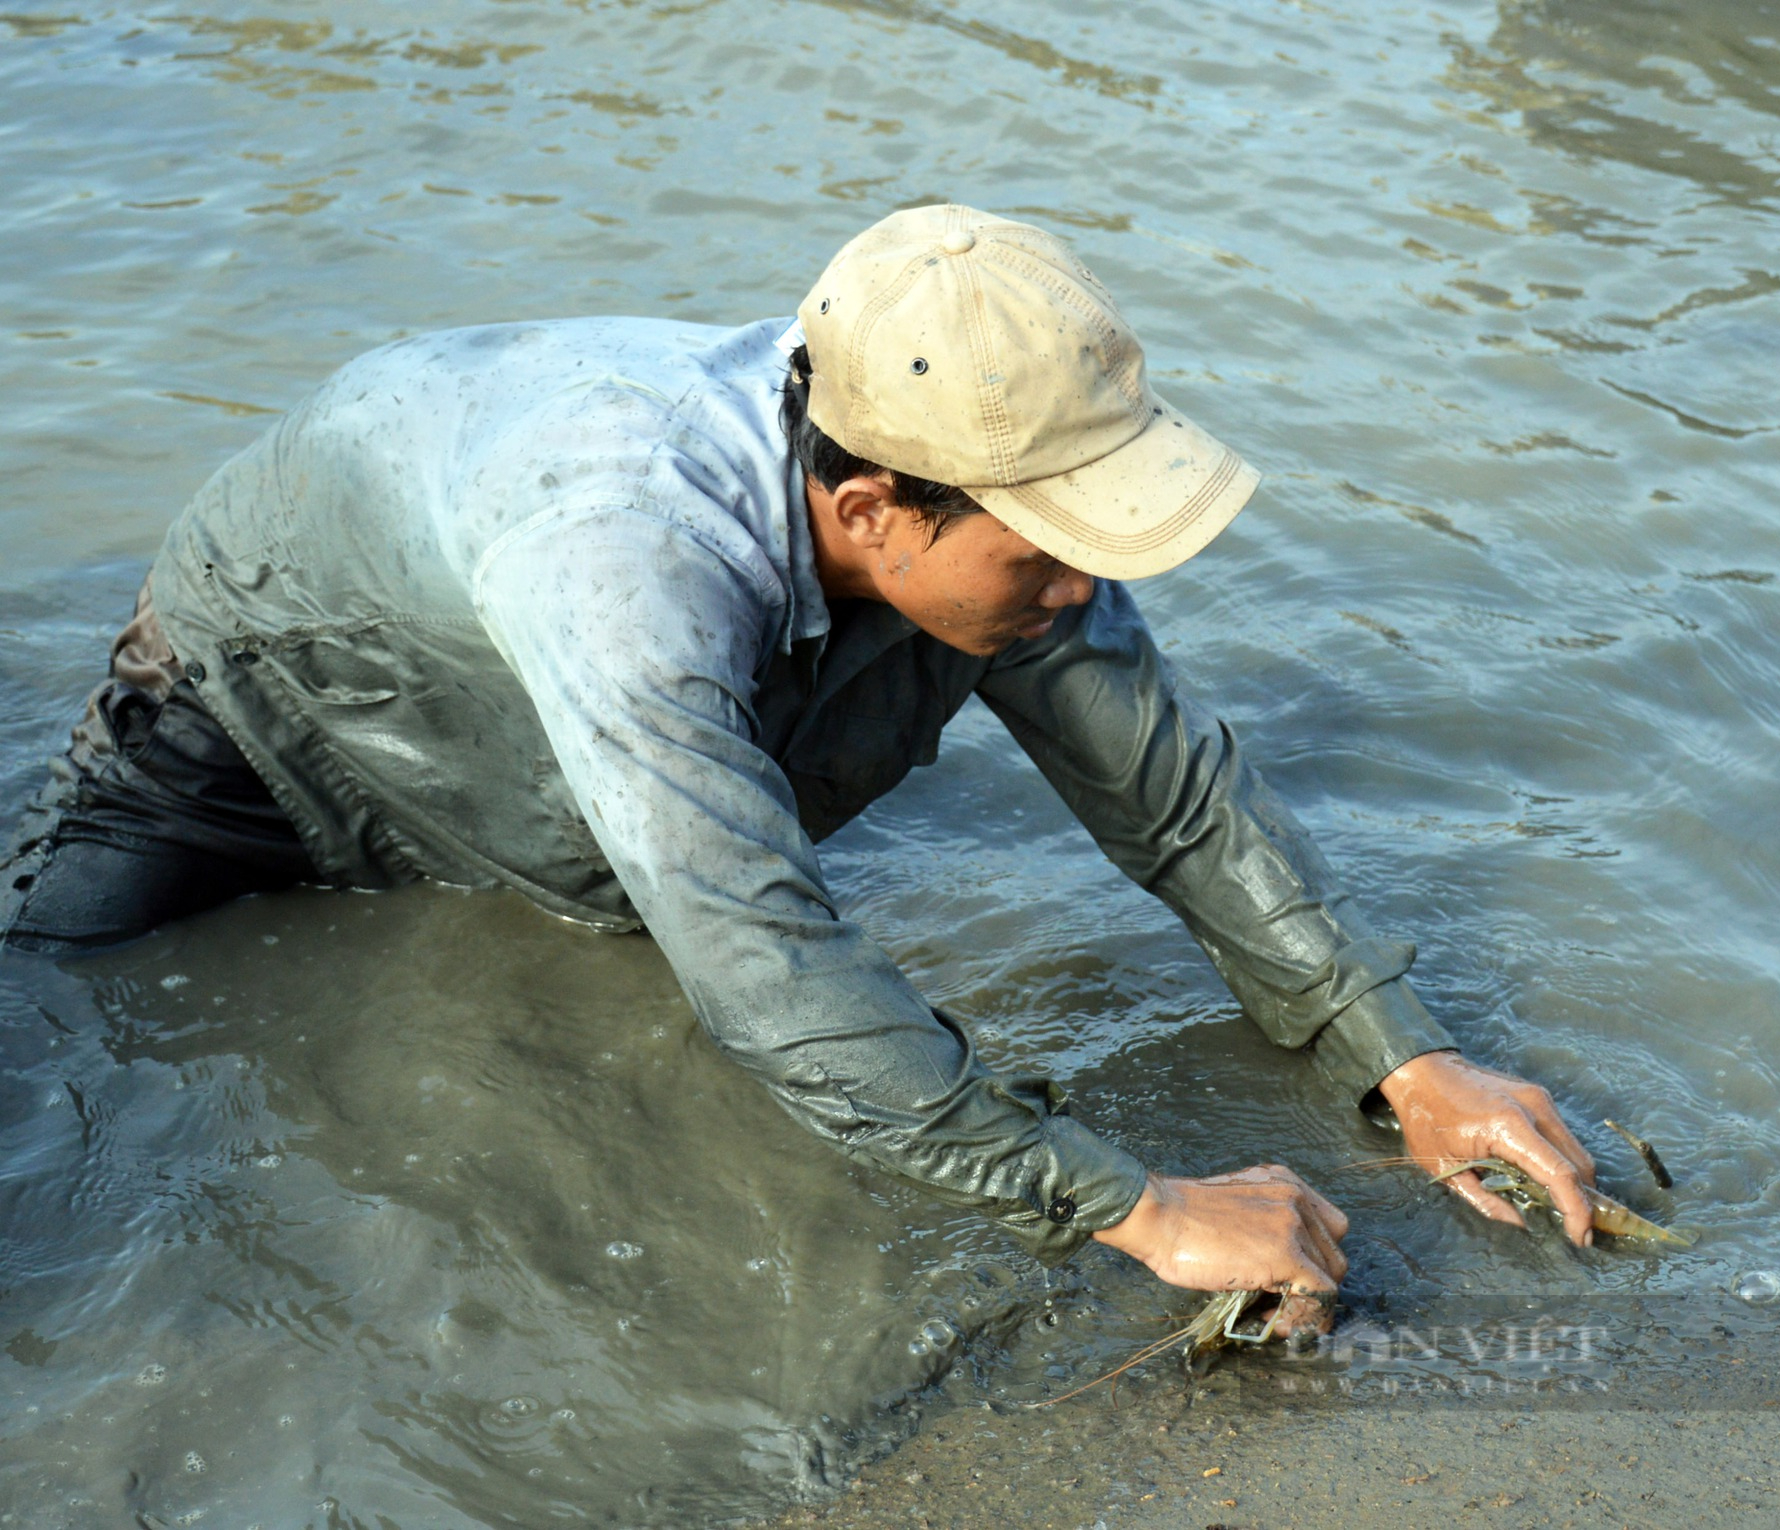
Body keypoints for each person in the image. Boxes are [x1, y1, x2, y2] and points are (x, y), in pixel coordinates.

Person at [0, 204, 1597, 1333]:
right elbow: (770, 976)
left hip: (530, 721)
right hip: (255, 706)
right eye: (1051, 553)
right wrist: (1133, 1202)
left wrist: (1394, 1052)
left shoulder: (948, 486)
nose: (1081, 591)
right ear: (877, 507)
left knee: (656, 888)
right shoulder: (626, 551)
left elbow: (1170, 797)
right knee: (52, 1009)